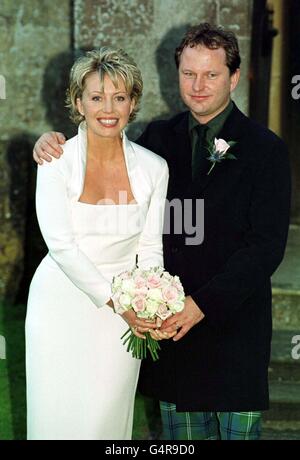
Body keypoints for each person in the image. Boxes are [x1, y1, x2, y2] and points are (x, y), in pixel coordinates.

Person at [32, 23, 291, 440]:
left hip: (233, 329)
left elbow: (265, 248)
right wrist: (47, 142)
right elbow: (105, 149)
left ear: (235, 77)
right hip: (171, 335)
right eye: (189, 74)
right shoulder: (157, 141)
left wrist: (201, 303)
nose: (199, 85)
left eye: (212, 74)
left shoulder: (267, 150)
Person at [26, 47, 169, 440]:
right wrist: (119, 303)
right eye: (96, 97)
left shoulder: (154, 168)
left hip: (120, 318)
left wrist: (150, 299)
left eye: (119, 97)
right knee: (56, 419)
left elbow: (151, 246)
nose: (108, 108)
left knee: (105, 421)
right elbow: (62, 246)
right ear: (78, 102)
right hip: (59, 304)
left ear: (133, 102)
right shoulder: (55, 160)